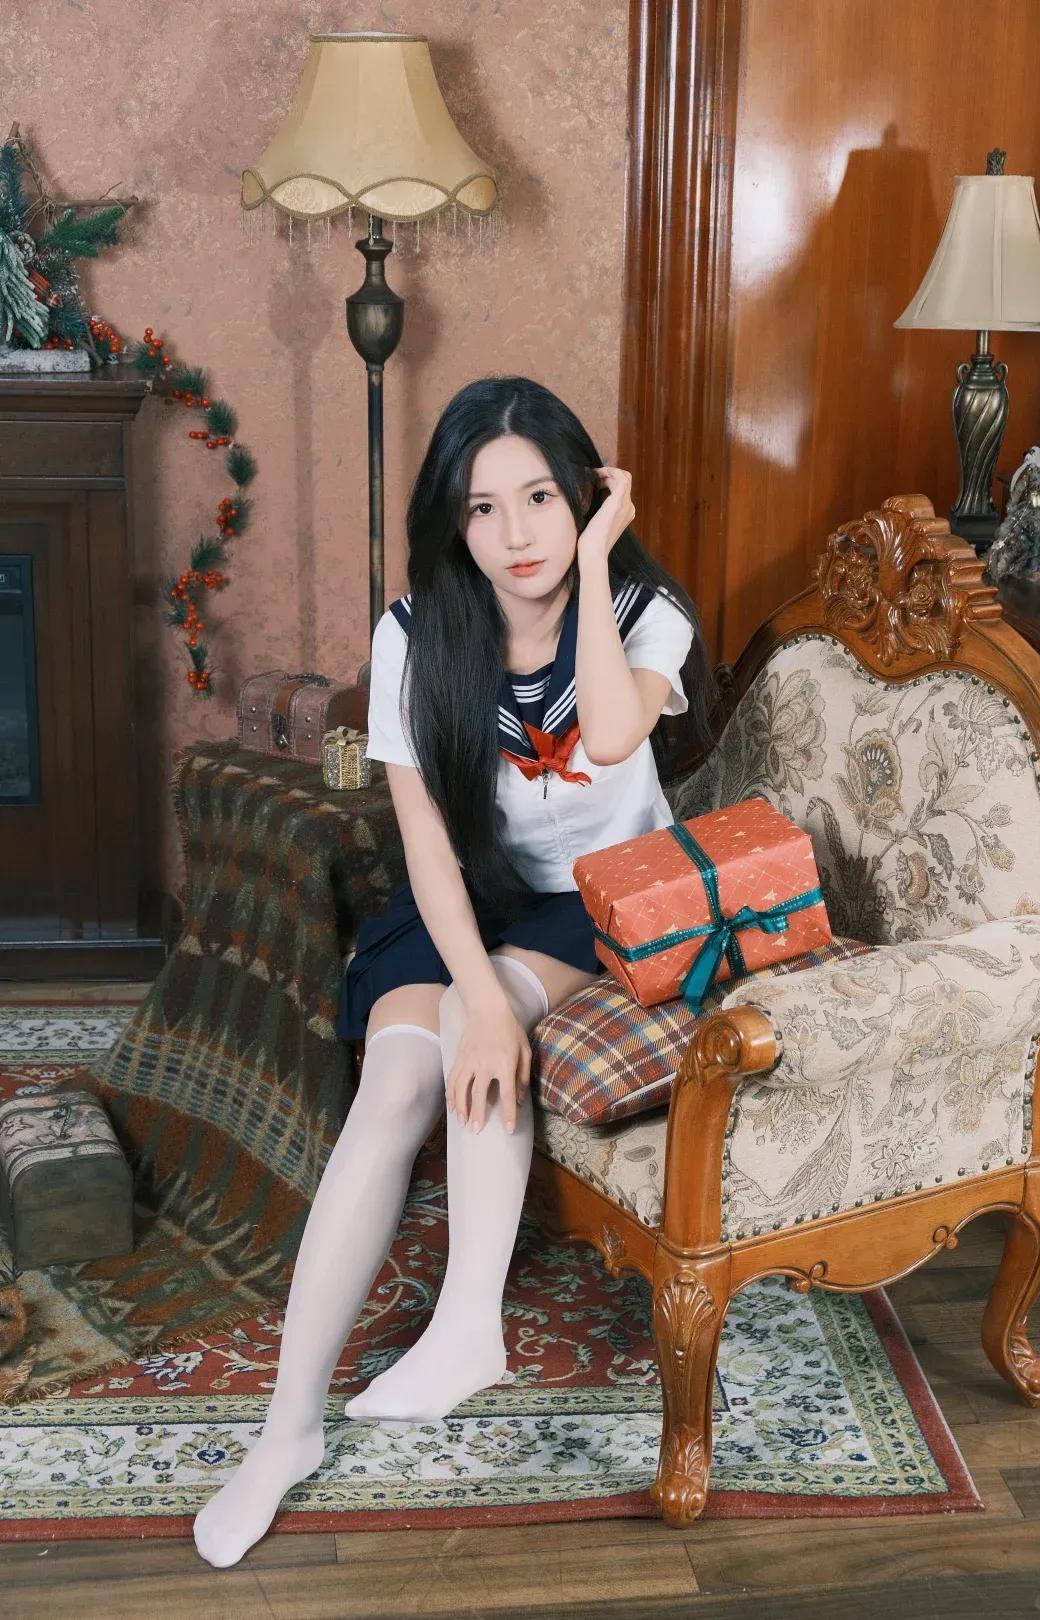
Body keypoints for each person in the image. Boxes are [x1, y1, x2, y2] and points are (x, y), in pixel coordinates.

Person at [192, 374, 722, 1568]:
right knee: (397, 1083)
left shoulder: (645, 611)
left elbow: (613, 732)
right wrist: (476, 992)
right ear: (453, 520)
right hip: (465, 892)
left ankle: (468, 1321)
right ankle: (286, 1432)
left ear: (582, 497)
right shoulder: (414, 632)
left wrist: (600, 559)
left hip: (603, 902)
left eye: (541, 498)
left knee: (478, 1044)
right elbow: (424, 839)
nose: (516, 533)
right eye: (483, 508)